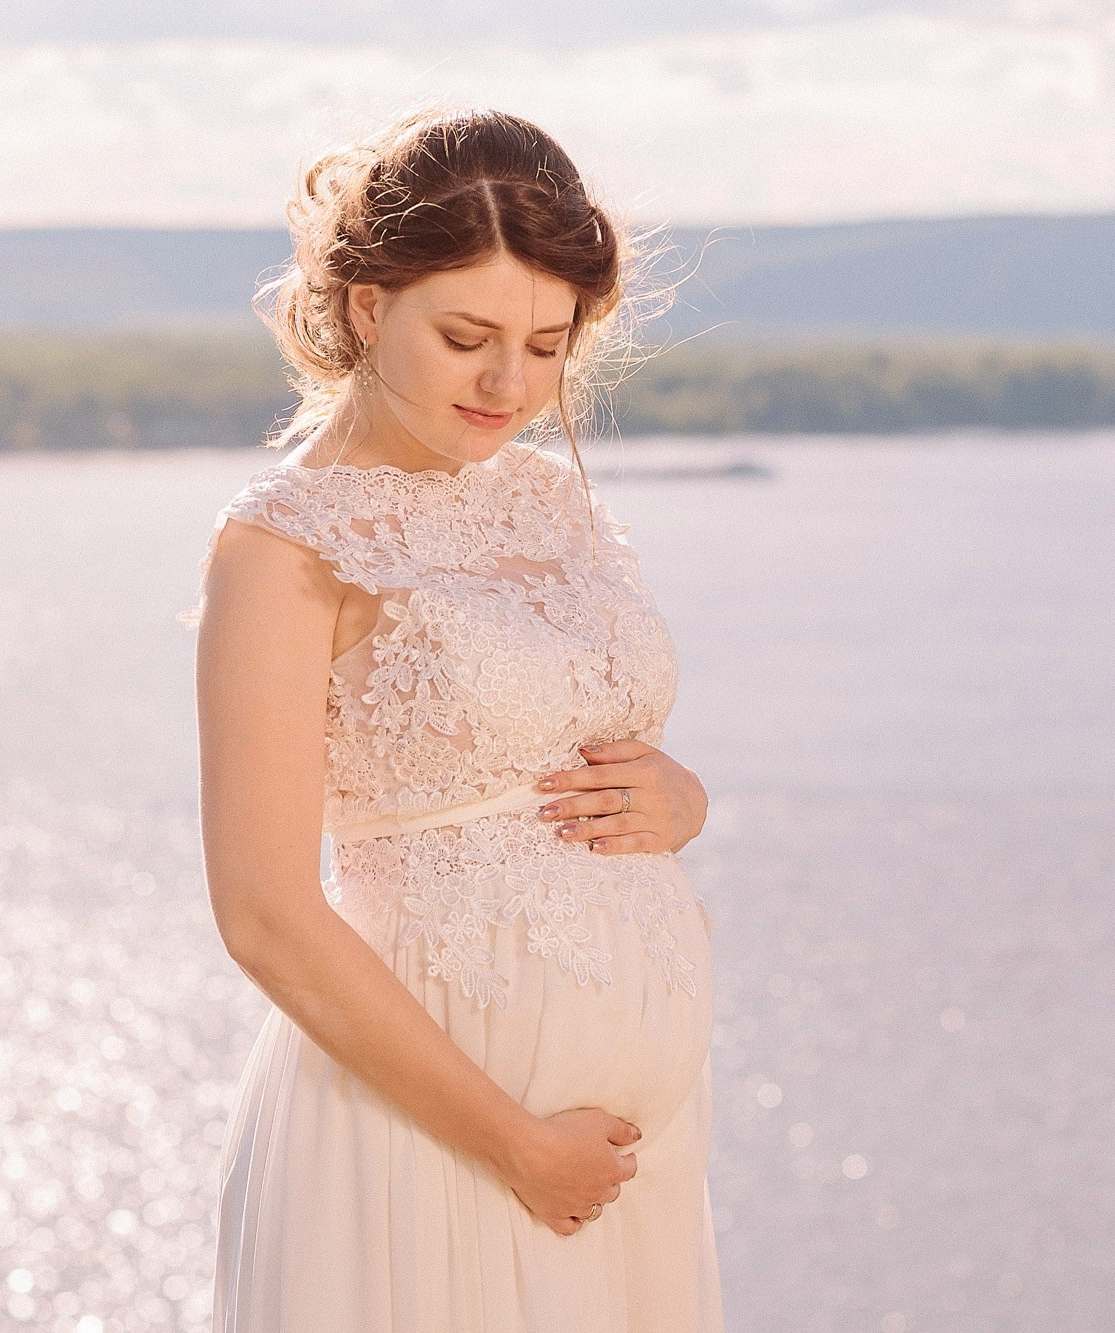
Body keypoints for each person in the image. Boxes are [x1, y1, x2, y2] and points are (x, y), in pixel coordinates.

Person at [185, 103, 724, 1332]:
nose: (507, 384)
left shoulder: (543, 501)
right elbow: (264, 914)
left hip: (621, 1164)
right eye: (467, 335)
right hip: (436, 1141)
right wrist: (518, 1144)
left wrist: (683, 797)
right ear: (368, 305)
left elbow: (566, 742)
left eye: (545, 345)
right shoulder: (281, 548)